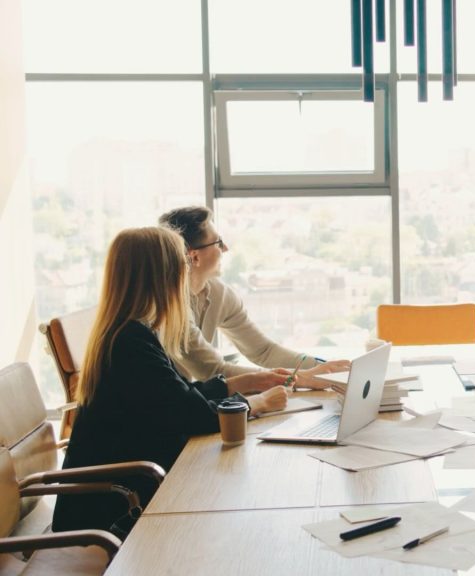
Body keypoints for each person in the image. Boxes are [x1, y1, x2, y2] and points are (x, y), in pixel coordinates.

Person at [52, 227, 288, 534]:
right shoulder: (130, 342)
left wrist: (239, 384)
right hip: (111, 513)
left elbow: (177, 398)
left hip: (124, 492)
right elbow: (195, 416)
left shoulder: (128, 332)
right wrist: (258, 403)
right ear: (163, 277)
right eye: (183, 267)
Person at [159, 206, 350, 389]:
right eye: (218, 242)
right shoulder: (166, 305)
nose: (225, 248)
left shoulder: (220, 294)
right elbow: (212, 371)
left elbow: (263, 351)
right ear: (195, 257)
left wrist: (324, 367)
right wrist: (299, 378)